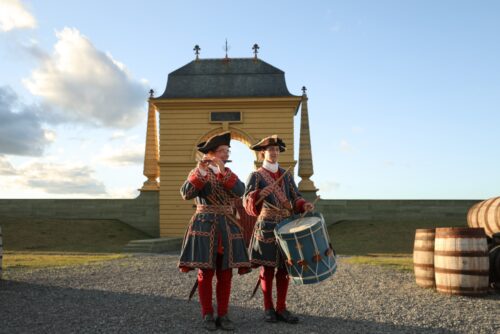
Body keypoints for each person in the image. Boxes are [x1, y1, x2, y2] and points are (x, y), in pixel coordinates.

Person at [178, 131, 251, 331]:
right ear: (211, 153)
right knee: (205, 272)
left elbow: (240, 191)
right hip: (204, 225)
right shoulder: (197, 172)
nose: (226, 154)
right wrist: (201, 173)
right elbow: (186, 194)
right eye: (222, 151)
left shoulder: (228, 173)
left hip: (227, 227)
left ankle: (224, 315)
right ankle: (207, 314)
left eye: (228, 151)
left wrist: (222, 172)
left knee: (226, 273)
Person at [243, 135, 314, 324]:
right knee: (267, 270)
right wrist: (258, 194)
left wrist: (303, 204)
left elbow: (295, 197)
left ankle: (281, 308)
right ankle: (268, 309)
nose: (274, 153)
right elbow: (247, 202)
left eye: (276, 150)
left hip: (285, 226)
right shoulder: (256, 176)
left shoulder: (286, 174)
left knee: (284, 269)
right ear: (262, 153)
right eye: (270, 150)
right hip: (266, 226)